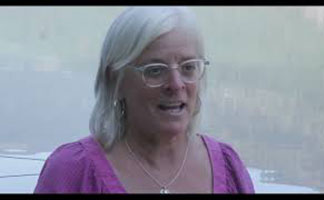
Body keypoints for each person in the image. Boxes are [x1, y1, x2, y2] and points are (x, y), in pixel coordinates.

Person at [34, 6, 255, 194]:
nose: (176, 84)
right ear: (115, 80)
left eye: (188, 67)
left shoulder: (229, 169)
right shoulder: (72, 173)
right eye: (155, 70)